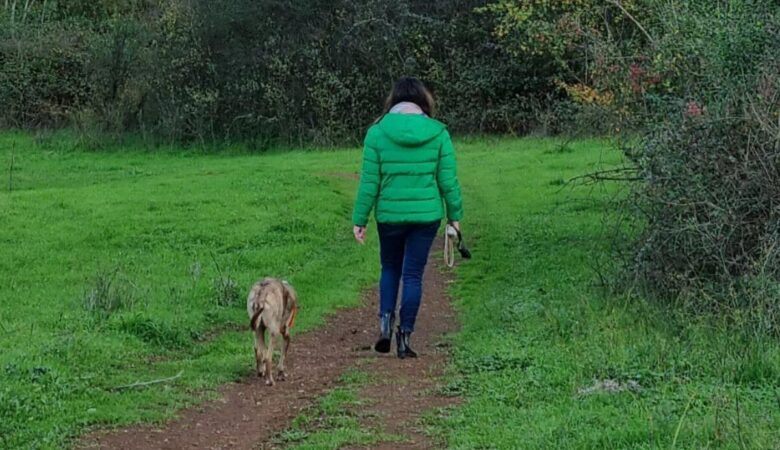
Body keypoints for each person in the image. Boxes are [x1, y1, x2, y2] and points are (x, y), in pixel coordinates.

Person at [352, 76, 464, 359]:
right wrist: (455, 217)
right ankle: (405, 339)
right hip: (425, 217)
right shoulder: (438, 133)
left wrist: (360, 219)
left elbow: (369, 182)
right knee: (413, 275)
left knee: (390, 268)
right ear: (423, 101)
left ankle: (385, 324)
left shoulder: (377, 132)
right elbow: (448, 181)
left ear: (394, 100)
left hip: (390, 215)